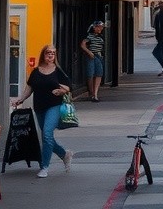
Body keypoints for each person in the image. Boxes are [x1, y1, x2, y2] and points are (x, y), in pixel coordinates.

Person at [12, 44, 73, 178]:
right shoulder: (36, 71)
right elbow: (29, 88)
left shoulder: (58, 71)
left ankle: (44, 167)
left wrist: (61, 90)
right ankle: (64, 154)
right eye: (48, 53)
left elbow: (68, 87)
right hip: (39, 107)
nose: (50, 55)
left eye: (53, 53)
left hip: (54, 106)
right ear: (43, 55)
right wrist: (20, 99)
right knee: (48, 137)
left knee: (46, 134)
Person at [80, 20, 105, 101]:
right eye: (99, 27)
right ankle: (91, 92)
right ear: (94, 27)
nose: (100, 29)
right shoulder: (89, 36)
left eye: (101, 27)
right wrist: (89, 52)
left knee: (98, 74)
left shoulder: (101, 36)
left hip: (99, 55)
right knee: (90, 74)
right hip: (91, 55)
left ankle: (95, 94)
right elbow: (83, 44)